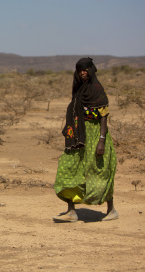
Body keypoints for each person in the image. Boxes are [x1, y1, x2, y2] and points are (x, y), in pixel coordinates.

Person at [53, 57, 118, 222]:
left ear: (92, 70)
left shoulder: (96, 88)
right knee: (70, 168)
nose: (83, 73)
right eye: (80, 70)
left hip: (95, 134)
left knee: (99, 171)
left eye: (86, 69)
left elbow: (103, 116)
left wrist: (101, 140)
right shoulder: (79, 88)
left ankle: (111, 210)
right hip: (78, 137)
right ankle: (71, 211)